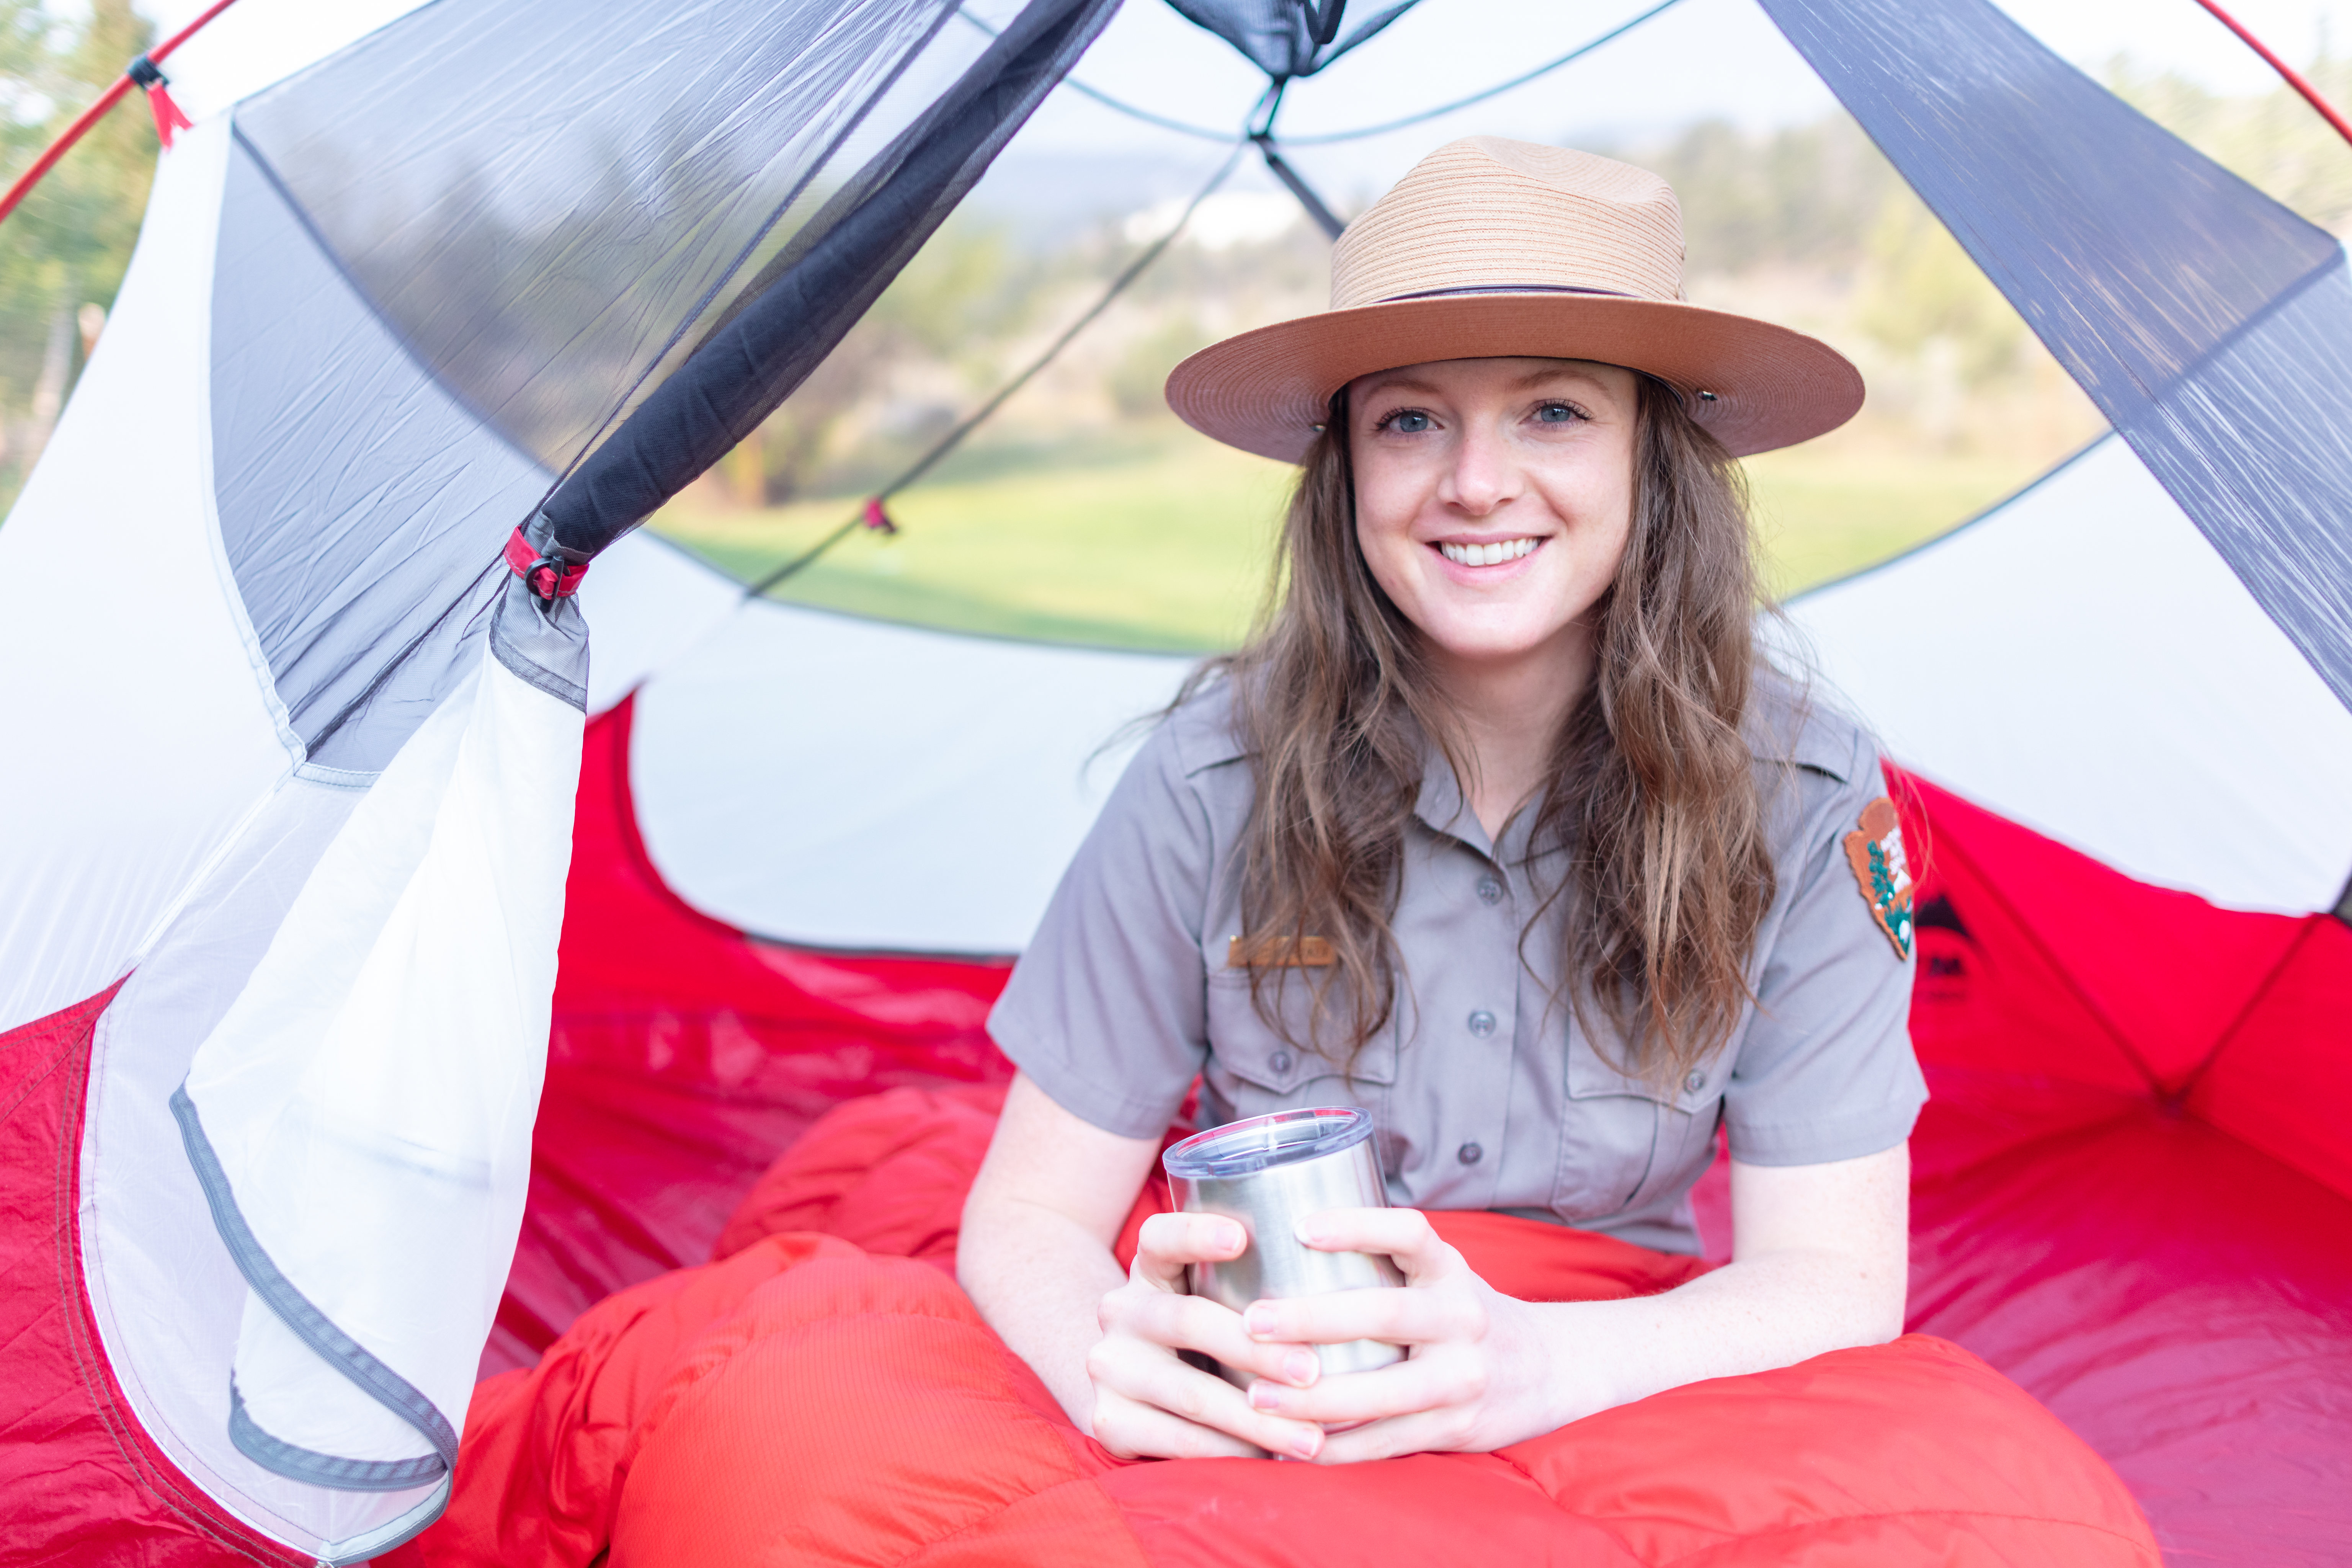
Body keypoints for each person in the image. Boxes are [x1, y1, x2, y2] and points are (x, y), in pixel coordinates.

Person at [957, 135, 1924, 1466]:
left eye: (1555, 412)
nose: (1476, 483)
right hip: (1273, 1413)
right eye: (1410, 419)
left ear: (1655, 456)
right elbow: (1028, 1215)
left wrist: (1530, 1366)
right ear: (1347, 470)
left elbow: (1838, 1277)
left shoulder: (1808, 796)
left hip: (1613, 1391)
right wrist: (1110, 1367)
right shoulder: (1205, 776)